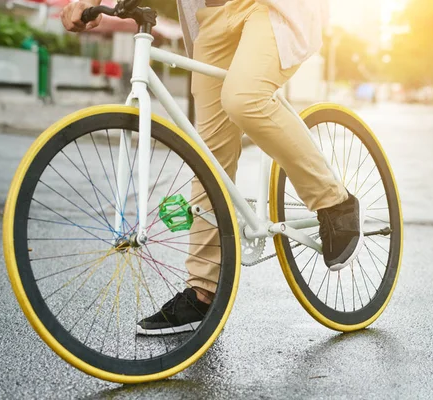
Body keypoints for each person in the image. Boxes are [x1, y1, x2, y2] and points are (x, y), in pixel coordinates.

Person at [60, 0, 364, 336]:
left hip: (270, 8)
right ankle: (202, 291)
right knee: (209, 154)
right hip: (213, 15)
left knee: (245, 98)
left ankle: (334, 200)